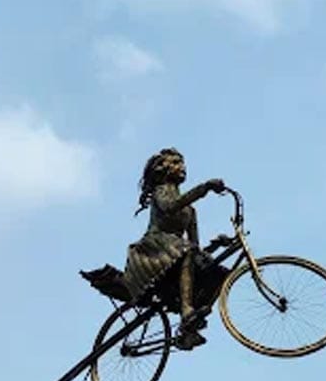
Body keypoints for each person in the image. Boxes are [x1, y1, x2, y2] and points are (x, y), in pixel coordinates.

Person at [82, 148, 226, 349]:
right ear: (163, 169)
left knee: (216, 272)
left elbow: (195, 249)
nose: (182, 167)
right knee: (185, 250)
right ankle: (186, 310)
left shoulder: (191, 211)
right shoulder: (162, 191)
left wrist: (216, 246)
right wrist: (204, 188)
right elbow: (170, 206)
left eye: (182, 163)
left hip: (176, 250)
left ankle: (189, 329)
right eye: (175, 163)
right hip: (154, 249)